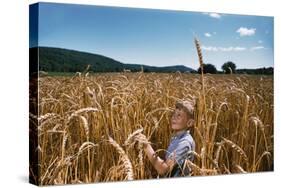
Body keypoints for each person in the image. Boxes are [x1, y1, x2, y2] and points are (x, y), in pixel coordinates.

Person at [139, 100, 195, 177]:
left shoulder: (185, 143)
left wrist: (146, 146)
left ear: (189, 123)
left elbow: (163, 169)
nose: (174, 118)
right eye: (173, 114)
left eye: (179, 115)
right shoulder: (176, 137)